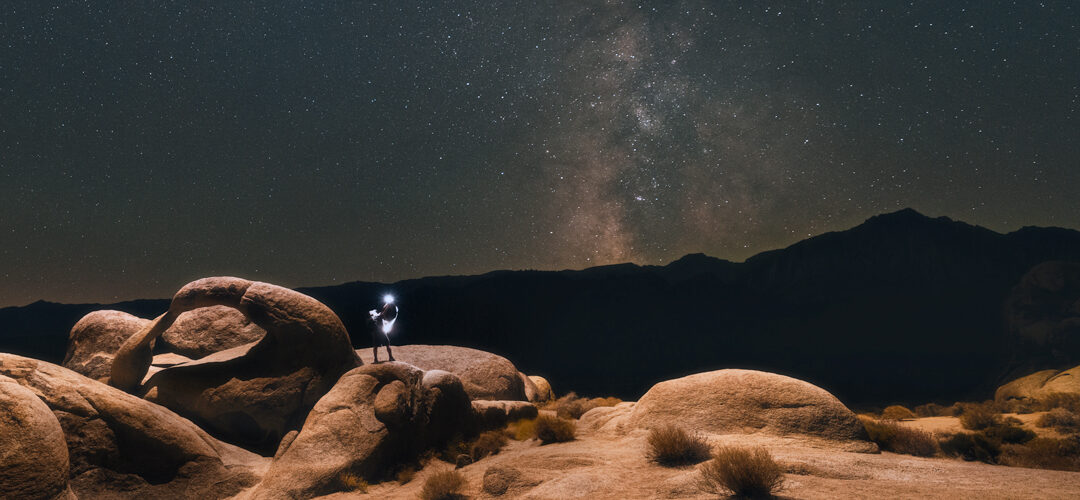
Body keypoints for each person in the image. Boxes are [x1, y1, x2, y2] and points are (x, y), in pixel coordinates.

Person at [369, 294, 398, 362]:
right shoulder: (383, 311)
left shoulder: (386, 308)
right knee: (387, 344)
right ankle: (390, 357)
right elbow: (383, 315)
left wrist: (376, 314)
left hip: (376, 330)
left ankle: (376, 359)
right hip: (380, 330)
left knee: (376, 346)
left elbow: (383, 314)